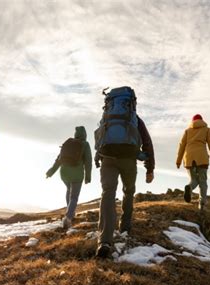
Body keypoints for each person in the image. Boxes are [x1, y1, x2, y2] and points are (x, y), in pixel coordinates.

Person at [94, 87, 155, 258]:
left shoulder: (107, 117)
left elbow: (100, 137)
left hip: (108, 158)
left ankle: (104, 240)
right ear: (132, 103)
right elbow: (147, 143)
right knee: (128, 191)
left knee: (107, 193)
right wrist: (150, 169)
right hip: (128, 160)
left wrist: (98, 158)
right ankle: (125, 227)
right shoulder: (134, 119)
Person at [46, 126, 92, 229]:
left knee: (69, 190)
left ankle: (69, 212)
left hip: (64, 173)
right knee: (74, 197)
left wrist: (51, 172)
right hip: (77, 174)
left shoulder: (68, 143)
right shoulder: (85, 144)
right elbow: (88, 161)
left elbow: (59, 160)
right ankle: (68, 217)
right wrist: (88, 176)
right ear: (85, 135)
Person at [176, 113, 210, 210]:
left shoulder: (187, 131)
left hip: (189, 158)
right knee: (203, 181)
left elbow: (181, 146)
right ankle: (202, 204)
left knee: (193, 180)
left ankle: (189, 187)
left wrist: (178, 161)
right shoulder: (206, 130)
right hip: (202, 158)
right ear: (202, 120)